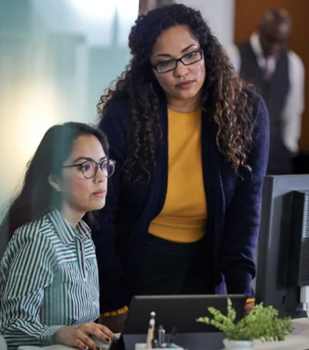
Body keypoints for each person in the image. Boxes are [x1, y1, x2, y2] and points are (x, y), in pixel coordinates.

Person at [92, 4, 269, 332]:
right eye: (165, 63)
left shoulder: (246, 111)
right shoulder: (123, 118)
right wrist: (111, 301)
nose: (182, 71)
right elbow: (102, 216)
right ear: (149, 69)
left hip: (207, 268)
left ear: (207, 50)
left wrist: (242, 294)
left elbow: (245, 213)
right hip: (138, 269)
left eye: (190, 55)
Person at [0, 123, 116, 350]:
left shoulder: (84, 236)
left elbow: (82, 327)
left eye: (103, 165)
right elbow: (11, 328)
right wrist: (59, 333)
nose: (101, 177)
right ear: (54, 179)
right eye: (86, 167)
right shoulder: (38, 239)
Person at [226, 8, 304, 175]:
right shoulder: (234, 56)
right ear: (260, 30)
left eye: (280, 41)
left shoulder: (293, 63)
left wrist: (289, 146)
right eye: (271, 39)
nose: (274, 46)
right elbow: (225, 105)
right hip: (241, 152)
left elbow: (293, 109)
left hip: (276, 156)